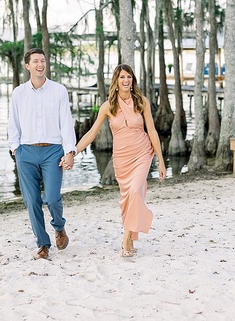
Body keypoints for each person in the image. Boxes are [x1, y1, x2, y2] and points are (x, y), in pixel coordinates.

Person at [70, 63, 166, 257]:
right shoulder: (108, 106)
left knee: (135, 192)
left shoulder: (142, 102)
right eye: (122, 77)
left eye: (129, 77)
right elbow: (91, 133)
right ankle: (130, 236)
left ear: (133, 81)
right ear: (116, 80)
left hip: (142, 153)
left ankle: (126, 238)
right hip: (121, 158)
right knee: (127, 199)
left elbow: (152, 131)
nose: (126, 80)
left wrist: (161, 161)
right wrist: (74, 152)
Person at [8, 47, 77, 260]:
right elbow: (13, 123)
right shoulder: (18, 93)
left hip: (53, 152)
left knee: (53, 197)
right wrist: (16, 148)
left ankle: (59, 226)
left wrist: (70, 151)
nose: (40, 64)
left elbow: (66, 122)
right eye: (36, 61)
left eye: (43, 60)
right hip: (26, 152)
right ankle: (43, 244)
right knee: (31, 201)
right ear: (27, 65)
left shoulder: (59, 91)